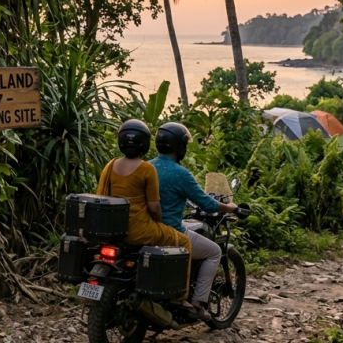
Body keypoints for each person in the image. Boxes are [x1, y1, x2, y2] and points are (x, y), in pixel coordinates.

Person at [95, 120, 198, 311]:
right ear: (145, 143)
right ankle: (180, 297)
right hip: (139, 230)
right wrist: (158, 223)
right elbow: (154, 208)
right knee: (184, 242)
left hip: (111, 230)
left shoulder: (110, 165)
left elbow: (101, 196)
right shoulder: (146, 169)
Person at [150, 122, 238, 320]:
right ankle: (197, 304)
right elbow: (207, 203)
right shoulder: (181, 174)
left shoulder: (146, 167)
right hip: (171, 231)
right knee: (214, 252)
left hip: (147, 229)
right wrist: (230, 207)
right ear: (179, 146)